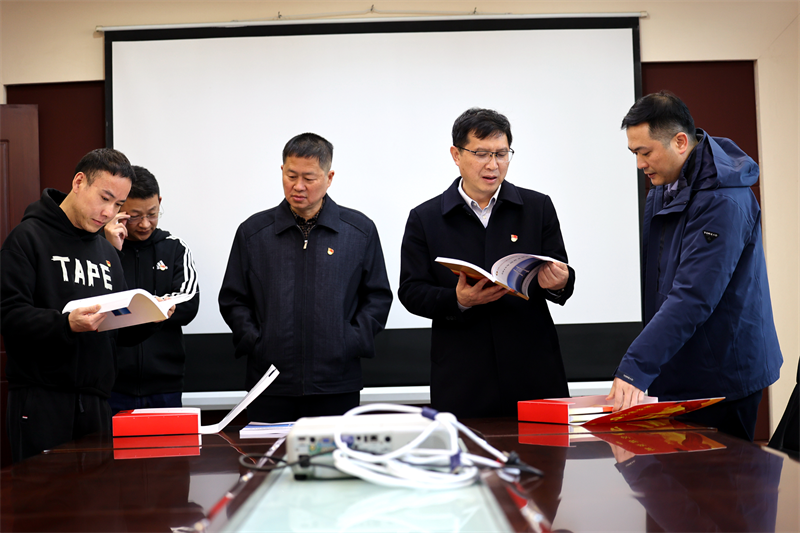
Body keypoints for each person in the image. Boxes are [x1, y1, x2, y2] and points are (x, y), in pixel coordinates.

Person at [608, 91, 782, 441]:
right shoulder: (666, 184)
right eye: (634, 153)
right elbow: (661, 283)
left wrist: (636, 367)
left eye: (645, 152)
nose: (640, 163)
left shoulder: (723, 199)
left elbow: (693, 295)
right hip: (682, 372)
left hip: (722, 378)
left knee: (722, 476)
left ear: (680, 142)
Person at [398, 108, 576, 419]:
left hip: (532, 368)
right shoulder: (425, 218)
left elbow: (559, 271)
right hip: (462, 375)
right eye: (481, 154)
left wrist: (560, 282)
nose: (493, 165)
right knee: (467, 450)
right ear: (456, 155)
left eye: (501, 154)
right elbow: (411, 291)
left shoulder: (537, 207)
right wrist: (458, 300)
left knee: (542, 450)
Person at [0, 148, 171, 463]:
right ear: (79, 182)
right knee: (43, 493)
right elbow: (9, 315)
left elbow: (115, 332)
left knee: (96, 494)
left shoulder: (106, 252)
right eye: (105, 198)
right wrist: (66, 324)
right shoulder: (27, 238)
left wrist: (151, 317)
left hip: (96, 404)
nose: (108, 212)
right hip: (41, 400)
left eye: (118, 204)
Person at [218, 133, 392, 422]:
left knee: (332, 454)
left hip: (336, 383)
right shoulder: (254, 233)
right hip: (269, 384)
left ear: (329, 177)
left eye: (309, 178)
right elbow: (233, 299)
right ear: (282, 171)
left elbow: (377, 297)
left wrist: (350, 340)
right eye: (291, 176)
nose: (298, 186)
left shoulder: (359, 231)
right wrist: (258, 342)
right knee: (269, 453)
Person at [103, 166, 199, 413]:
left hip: (165, 384)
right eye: (135, 216)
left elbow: (188, 303)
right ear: (118, 208)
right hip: (111, 384)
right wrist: (110, 250)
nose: (145, 224)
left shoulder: (175, 248)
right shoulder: (99, 248)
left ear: (159, 202)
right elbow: (98, 302)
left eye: (152, 214)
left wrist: (137, 310)